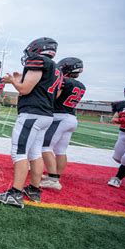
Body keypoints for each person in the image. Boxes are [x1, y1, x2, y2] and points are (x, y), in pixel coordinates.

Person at [0, 37, 61, 208]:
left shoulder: (39, 61)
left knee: (19, 152)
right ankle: (34, 189)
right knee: (35, 153)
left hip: (32, 113)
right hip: (46, 114)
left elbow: (24, 89)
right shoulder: (56, 69)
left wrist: (14, 81)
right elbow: (54, 93)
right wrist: (20, 79)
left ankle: (15, 193)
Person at [40, 57, 86, 190]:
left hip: (59, 117)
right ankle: (55, 176)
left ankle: (53, 179)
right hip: (71, 117)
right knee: (61, 150)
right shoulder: (81, 85)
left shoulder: (64, 81)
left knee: (45, 147)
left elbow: (55, 97)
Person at [107, 82, 125, 188]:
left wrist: (123, 120)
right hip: (123, 134)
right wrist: (120, 120)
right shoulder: (121, 104)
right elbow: (114, 118)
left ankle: (117, 178)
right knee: (118, 158)